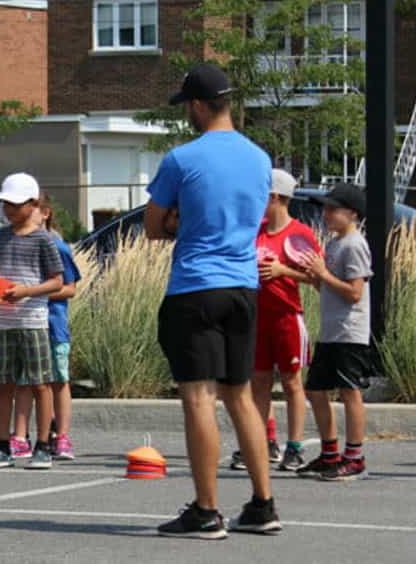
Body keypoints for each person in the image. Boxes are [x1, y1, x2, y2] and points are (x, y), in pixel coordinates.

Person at [145, 64, 281, 538]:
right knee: (241, 396)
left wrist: (178, 224)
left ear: (199, 106)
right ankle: (263, 504)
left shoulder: (182, 159)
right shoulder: (260, 158)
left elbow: (152, 225)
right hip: (244, 286)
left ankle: (206, 510)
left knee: (199, 399)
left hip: (196, 286)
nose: (187, 113)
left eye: (187, 105)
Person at [230, 169, 319, 473]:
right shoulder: (255, 231)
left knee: (292, 382)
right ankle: (259, 443)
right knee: (259, 382)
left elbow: (318, 279)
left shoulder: (300, 234)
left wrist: (284, 271)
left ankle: (294, 447)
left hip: (286, 317)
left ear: (277, 198)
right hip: (256, 317)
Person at [0, 173, 64, 470]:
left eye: (16, 204)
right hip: (1, 321)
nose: (9, 209)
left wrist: (27, 291)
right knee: (4, 384)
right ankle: (3, 445)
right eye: (6, 204)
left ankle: (43, 445)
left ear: (34, 203)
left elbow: (57, 281)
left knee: (41, 384)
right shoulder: (0, 237)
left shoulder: (44, 239)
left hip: (33, 320)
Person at [296, 184, 373, 481]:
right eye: (325, 208)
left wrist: (324, 274)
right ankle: (330, 454)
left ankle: (355, 457)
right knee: (315, 390)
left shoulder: (354, 244)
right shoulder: (335, 243)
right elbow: (328, 286)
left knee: (349, 390)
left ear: (351, 213)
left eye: (332, 209)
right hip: (332, 331)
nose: (326, 214)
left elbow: (355, 292)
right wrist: (314, 276)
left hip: (349, 332)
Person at [12, 193, 81, 460]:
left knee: (58, 380)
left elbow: (69, 288)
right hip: (25, 322)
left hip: (52, 324)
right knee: (25, 380)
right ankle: (20, 436)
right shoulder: (17, 244)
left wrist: (33, 292)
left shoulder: (57, 246)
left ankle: (61, 436)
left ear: (45, 213)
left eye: (31, 211)